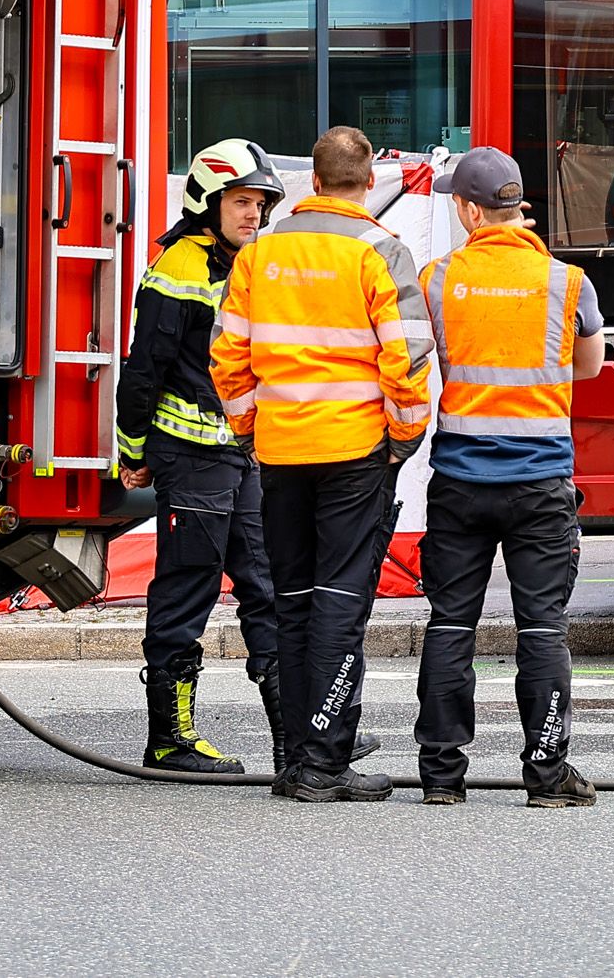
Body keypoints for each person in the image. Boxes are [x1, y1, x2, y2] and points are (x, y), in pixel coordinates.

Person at [211, 125, 433, 802]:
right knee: (340, 602)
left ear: (311, 178)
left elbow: (227, 358)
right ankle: (322, 762)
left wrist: (252, 429)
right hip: (353, 450)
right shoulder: (379, 250)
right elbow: (409, 359)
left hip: (280, 450)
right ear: (369, 183)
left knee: (295, 601)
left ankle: (299, 756)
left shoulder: (258, 253)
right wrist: (401, 437)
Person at [412, 147, 603, 808]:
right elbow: (586, 366)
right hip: (541, 482)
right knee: (542, 628)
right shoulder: (567, 281)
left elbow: (425, 355)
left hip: (461, 478)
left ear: (468, 208)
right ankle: (548, 773)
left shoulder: (436, 278)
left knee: (450, 624)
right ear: (515, 205)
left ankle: (440, 776)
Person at [116, 138, 289, 773]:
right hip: (190, 457)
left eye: (261, 203)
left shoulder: (247, 262)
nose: (254, 214)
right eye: (242, 201)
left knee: (266, 586)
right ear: (208, 201)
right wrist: (134, 451)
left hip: (239, 455)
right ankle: (170, 739)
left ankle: (296, 733)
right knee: (187, 589)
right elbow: (144, 370)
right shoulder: (182, 266)